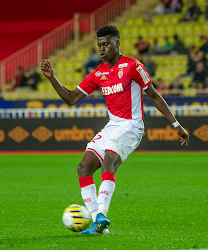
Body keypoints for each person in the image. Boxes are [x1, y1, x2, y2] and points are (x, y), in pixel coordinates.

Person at [41, 25, 189, 235]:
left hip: (131, 126)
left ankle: (101, 214)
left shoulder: (133, 66)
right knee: (84, 167)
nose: (102, 49)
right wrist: (51, 77)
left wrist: (176, 125)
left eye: (106, 44)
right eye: (99, 45)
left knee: (109, 160)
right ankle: (96, 224)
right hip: (112, 126)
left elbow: (154, 96)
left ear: (117, 43)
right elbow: (71, 98)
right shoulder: (98, 73)